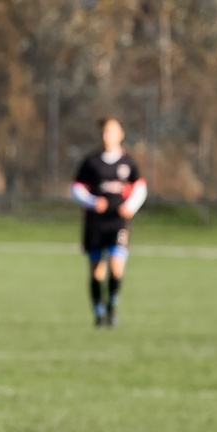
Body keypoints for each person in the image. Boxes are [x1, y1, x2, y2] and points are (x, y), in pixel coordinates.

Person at [70, 118, 146, 327]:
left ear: (120, 134)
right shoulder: (91, 162)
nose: (107, 136)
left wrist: (130, 207)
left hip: (118, 222)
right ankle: (98, 311)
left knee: (116, 267)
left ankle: (112, 305)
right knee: (96, 271)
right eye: (104, 132)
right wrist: (93, 202)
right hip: (95, 223)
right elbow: (76, 189)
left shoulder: (128, 163)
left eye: (111, 132)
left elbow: (140, 188)